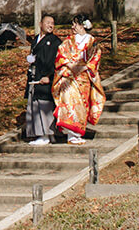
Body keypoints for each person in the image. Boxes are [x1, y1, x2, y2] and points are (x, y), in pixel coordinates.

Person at [52, 13, 105, 145]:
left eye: (75, 23)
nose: (73, 26)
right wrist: (70, 66)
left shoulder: (92, 42)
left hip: (84, 77)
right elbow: (61, 56)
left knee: (82, 105)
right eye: (73, 24)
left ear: (83, 25)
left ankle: (78, 132)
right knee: (69, 102)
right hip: (69, 77)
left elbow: (95, 59)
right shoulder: (68, 41)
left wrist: (82, 68)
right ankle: (71, 134)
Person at [24, 14, 62, 145]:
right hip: (36, 75)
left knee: (45, 105)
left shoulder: (55, 41)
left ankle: (45, 134)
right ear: (41, 24)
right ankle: (43, 134)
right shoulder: (36, 40)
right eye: (48, 22)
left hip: (46, 78)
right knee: (35, 105)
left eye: (52, 23)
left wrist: (49, 76)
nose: (50, 25)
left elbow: (57, 62)